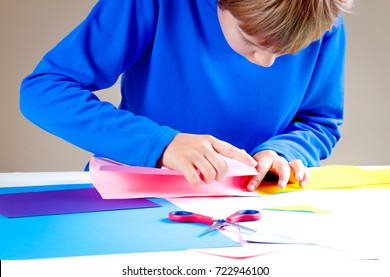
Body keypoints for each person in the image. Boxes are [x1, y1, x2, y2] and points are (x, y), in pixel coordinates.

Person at [20, 0, 353, 191]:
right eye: (253, 43)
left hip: (250, 206)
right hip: (135, 196)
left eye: (289, 53)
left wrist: (284, 150)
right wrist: (163, 144)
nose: (266, 63)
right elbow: (44, 89)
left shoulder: (324, 23)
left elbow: (318, 120)